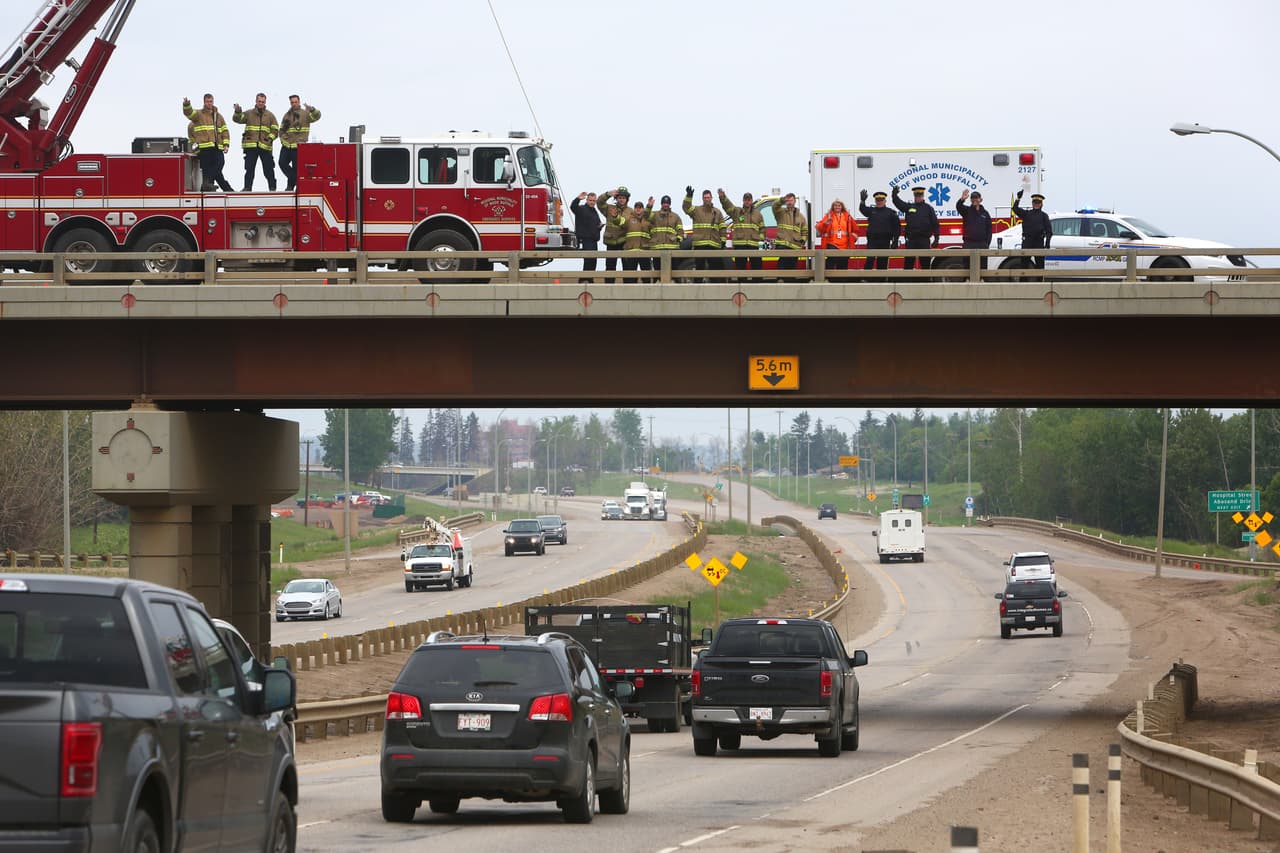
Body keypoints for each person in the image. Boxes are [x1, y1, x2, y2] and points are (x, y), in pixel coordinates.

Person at [182, 94, 232, 192]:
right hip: (204, 148)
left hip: (217, 146)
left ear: (213, 101)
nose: (209, 103)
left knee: (220, 163)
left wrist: (226, 145)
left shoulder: (218, 116)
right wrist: (187, 105)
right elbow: (189, 113)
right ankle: (224, 189)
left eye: (211, 101)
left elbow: (225, 130)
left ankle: (206, 184)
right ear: (204, 102)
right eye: (207, 101)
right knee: (210, 170)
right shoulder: (198, 115)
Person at [232, 93, 279, 191]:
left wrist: (270, 138)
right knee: (249, 169)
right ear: (256, 101)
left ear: (265, 102)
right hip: (251, 146)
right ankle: (247, 188)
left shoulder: (270, 116)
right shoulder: (249, 113)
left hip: (265, 147)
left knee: (268, 169)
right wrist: (237, 112)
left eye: (263, 102)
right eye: (259, 101)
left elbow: (275, 130)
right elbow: (237, 119)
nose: (261, 103)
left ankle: (272, 187)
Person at [892, 185, 939, 273]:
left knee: (925, 264)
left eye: (920, 195)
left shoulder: (928, 208)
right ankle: (907, 283)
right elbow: (898, 203)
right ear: (914, 196)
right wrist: (894, 195)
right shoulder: (909, 207)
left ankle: (926, 282)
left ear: (923, 196)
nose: (918, 197)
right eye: (916, 195)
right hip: (911, 240)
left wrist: (936, 238)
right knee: (908, 264)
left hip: (924, 240)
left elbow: (935, 224)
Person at [278, 95, 320, 191]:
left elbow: (317, 116)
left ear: (299, 102)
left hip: (299, 146)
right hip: (287, 145)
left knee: (297, 168)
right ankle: (296, 181)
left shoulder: (305, 113)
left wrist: (312, 109)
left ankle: (290, 186)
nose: (294, 104)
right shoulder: (287, 115)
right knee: (282, 163)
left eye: (295, 102)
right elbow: (281, 130)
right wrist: (284, 139)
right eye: (292, 102)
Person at [719, 189, 764, 274]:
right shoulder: (737, 212)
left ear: (751, 201)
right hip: (740, 245)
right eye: (745, 200)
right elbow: (728, 206)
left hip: (753, 245)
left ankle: (757, 285)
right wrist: (723, 197)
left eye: (749, 200)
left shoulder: (758, 214)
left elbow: (762, 228)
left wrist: (760, 239)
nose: (747, 202)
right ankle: (741, 285)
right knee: (740, 269)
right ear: (743, 201)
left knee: (757, 268)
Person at [684, 187, 725, 276]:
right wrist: (689, 196)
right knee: (699, 270)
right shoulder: (696, 210)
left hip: (714, 245)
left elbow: (722, 227)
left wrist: (723, 240)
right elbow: (686, 208)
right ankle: (698, 288)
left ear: (711, 198)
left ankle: (715, 287)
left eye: (708, 197)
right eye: (705, 197)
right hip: (700, 245)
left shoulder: (717, 212)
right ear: (702, 199)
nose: (707, 199)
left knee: (715, 270)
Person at [859, 189, 901, 274]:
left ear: (885, 200)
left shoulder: (891, 212)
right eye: (877, 200)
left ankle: (881, 279)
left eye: (881, 200)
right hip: (872, 241)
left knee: (882, 262)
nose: (879, 202)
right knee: (870, 260)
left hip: (885, 241)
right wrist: (862, 201)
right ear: (875, 201)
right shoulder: (871, 211)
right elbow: (863, 209)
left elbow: (897, 228)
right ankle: (866, 278)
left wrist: (895, 240)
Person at [1012, 190, 1051, 270]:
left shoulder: (1044, 216)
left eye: (1038, 203)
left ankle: (1040, 282)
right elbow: (1015, 209)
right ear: (1032, 203)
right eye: (1035, 202)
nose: (1036, 204)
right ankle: (1023, 282)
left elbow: (1049, 231)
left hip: (1039, 243)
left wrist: (1047, 242)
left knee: (1040, 266)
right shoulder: (1026, 214)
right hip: (1027, 243)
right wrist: (1018, 198)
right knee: (1024, 266)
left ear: (1041, 204)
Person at [596, 187, 630, 277]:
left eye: (623, 198)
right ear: (616, 198)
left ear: (627, 199)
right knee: (610, 266)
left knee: (627, 266)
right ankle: (608, 286)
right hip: (611, 241)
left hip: (624, 242)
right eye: (619, 198)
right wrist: (608, 194)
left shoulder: (631, 211)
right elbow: (599, 202)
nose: (621, 200)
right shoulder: (609, 208)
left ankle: (627, 287)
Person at [647, 194, 684, 277]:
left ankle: (675, 285)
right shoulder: (654, 215)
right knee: (657, 272)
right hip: (657, 248)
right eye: (664, 203)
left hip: (672, 249)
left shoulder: (675, 217)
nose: (665, 204)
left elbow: (680, 231)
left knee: (674, 271)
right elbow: (646, 216)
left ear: (670, 204)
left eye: (667, 203)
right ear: (661, 204)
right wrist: (649, 206)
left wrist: (678, 239)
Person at [570, 191, 604, 281]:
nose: (592, 202)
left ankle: (589, 278)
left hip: (594, 239)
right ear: (587, 200)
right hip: (586, 239)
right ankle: (584, 279)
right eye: (590, 200)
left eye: (594, 200)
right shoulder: (581, 209)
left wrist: (599, 227)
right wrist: (578, 199)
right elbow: (573, 207)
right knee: (588, 259)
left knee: (593, 260)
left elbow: (596, 224)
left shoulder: (594, 211)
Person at [956, 189, 993, 270]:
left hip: (982, 244)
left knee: (982, 267)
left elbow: (989, 230)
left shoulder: (985, 213)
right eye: (972, 198)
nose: (974, 200)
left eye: (976, 198)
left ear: (981, 200)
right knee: (967, 267)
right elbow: (958, 206)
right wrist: (962, 199)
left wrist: (987, 244)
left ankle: (982, 281)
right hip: (969, 244)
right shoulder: (966, 210)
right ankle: (967, 281)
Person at [772, 192, 808, 273]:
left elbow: (805, 231)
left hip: (795, 246)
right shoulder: (780, 213)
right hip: (783, 244)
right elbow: (775, 206)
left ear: (795, 201)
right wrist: (781, 200)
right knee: (782, 263)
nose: (789, 202)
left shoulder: (801, 216)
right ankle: (781, 281)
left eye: (791, 200)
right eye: (787, 200)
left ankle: (791, 282)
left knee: (792, 267)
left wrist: (802, 241)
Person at [816, 198, 855, 272]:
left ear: (842, 206)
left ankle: (841, 280)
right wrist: (826, 223)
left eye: (839, 205)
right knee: (831, 260)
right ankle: (829, 278)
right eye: (835, 205)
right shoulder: (829, 216)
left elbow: (855, 229)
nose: (837, 207)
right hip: (832, 243)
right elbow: (819, 227)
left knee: (843, 263)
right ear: (833, 207)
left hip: (845, 245)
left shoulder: (847, 216)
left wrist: (853, 239)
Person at [621, 198, 654, 280]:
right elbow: (618, 222)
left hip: (644, 252)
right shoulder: (628, 220)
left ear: (643, 209)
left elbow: (653, 234)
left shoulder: (648, 221)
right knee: (631, 277)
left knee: (646, 276)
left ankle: (647, 292)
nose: (638, 209)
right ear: (634, 209)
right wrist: (614, 216)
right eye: (636, 207)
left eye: (640, 207)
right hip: (631, 252)